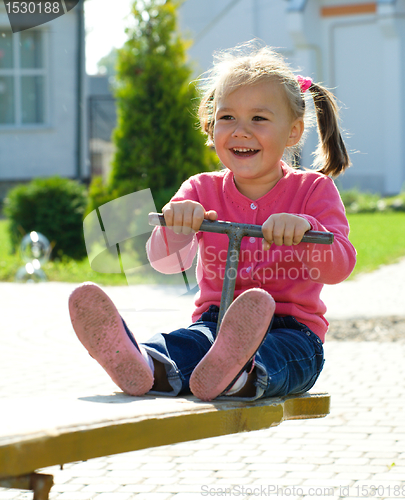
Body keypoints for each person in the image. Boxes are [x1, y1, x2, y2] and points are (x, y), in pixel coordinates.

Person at [69, 42, 356, 402]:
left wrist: (308, 231)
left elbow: (340, 265)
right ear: (210, 124)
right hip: (214, 323)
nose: (240, 130)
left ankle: (240, 375)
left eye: (259, 119)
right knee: (189, 343)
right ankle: (145, 365)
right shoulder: (200, 189)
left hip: (293, 330)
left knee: (281, 356)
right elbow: (165, 262)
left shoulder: (313, 189)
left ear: (294, 132)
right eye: (227, 117)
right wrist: (176, 228)